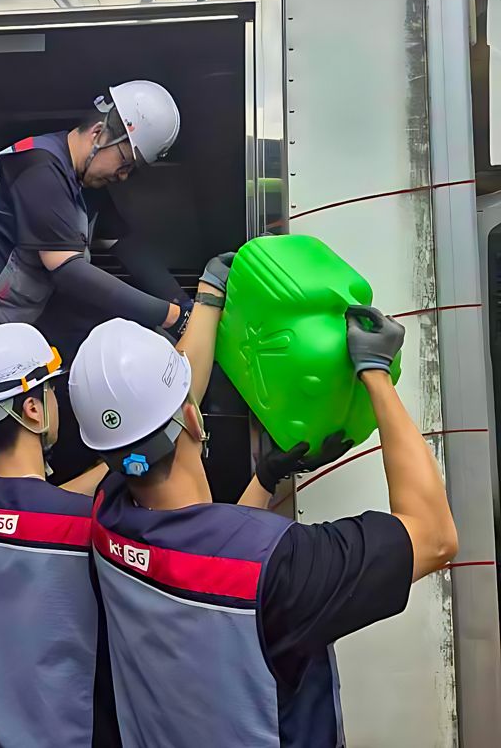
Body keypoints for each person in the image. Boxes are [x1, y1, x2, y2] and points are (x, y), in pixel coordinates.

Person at [69, 301, 459, 747]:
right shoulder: (284, 568)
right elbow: (434, 536)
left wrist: (265, 479)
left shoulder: (107, 516)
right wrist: (377, 374)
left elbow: (214, 564)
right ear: (193, 417)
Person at [0, 80, 189, 481]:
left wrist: (184, 304)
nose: (124, 175)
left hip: (1, 327)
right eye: (125, 161)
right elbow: (68, 270)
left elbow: (127, 245)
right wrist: (169, 316)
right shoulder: (40, 167)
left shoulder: (83, 186)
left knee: (26, 444)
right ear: (99, 133)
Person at [0, 321, 117, 748]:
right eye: (51, 391)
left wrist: (106, 470)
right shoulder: (82, 524)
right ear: (33, 409)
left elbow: (30, 509)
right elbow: (47, 510)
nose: (57, 400)